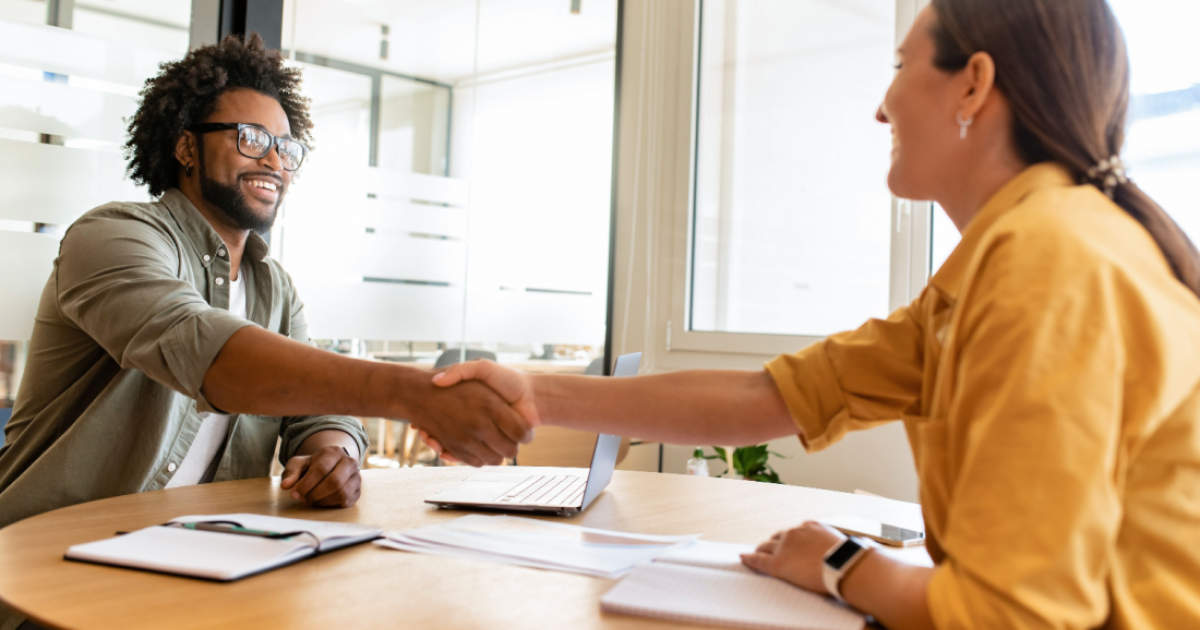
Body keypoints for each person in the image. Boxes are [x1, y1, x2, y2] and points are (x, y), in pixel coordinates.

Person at [433, 1, 1200, 628]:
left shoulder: (1051, 261)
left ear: (973, 85)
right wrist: (535, 390)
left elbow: (1009, 617)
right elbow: (765, 398)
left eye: (900, 67)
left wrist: (841, 566)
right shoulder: (1001, 261)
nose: (880, 106)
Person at [0, 34, 530, 558]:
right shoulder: (113, 236)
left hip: (192, 559)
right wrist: (413, 393)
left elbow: (323, 414)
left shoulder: (273, 287)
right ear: (187, 146)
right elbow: (212, 355)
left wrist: (333, 456)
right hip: (49, 560)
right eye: (252, 138)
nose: (275, 161)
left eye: (286, 147)